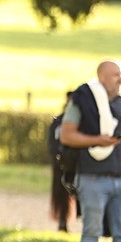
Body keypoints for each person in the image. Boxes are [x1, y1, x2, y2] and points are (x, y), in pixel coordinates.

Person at [59, 59, 121, 242]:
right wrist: (98, 141)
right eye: (115, 75)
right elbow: (66, 136)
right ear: (102, 77)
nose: (120, 79)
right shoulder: (82, 102)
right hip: (92, 178)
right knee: (91, 232)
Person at [49, 90, 76, 234]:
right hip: (61, 162)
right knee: (61, 192)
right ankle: (62, 220)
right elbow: (52, 142)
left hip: (76, 162)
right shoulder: (58, 121)